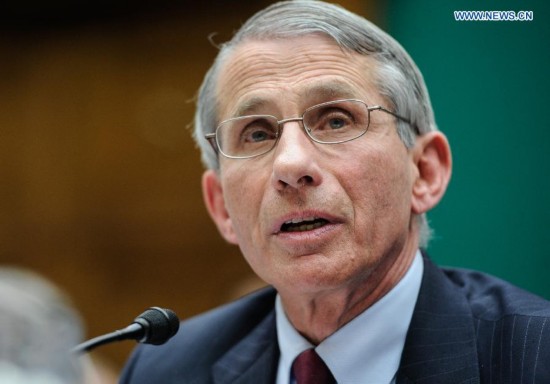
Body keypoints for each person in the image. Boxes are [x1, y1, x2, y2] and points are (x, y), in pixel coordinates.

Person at [120, 1, 550, 383]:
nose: (291, 165)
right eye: (256, 133)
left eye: (336, 120)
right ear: (221, 208)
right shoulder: (166, 369)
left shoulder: (535, 356)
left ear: (424, 171)